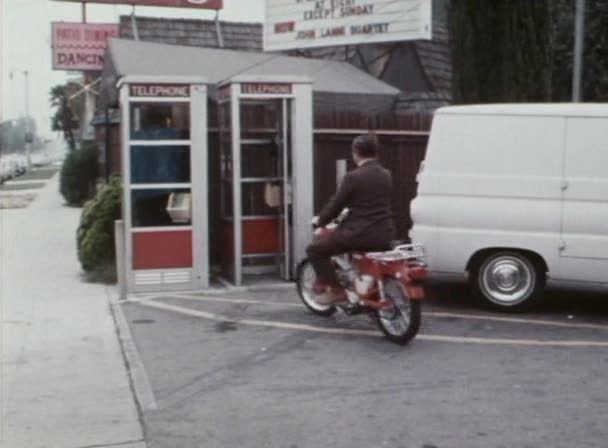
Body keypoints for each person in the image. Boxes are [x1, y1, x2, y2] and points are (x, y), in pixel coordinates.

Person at [307, 133, 396, 305]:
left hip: (360, 234)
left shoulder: (353, 177)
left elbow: (336, 204)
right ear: (376, 152)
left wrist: (321, 221)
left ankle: (336, 291)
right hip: (385, 232)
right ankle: (360, 285)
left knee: (315, 250)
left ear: (355, 152)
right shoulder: (386, 174)